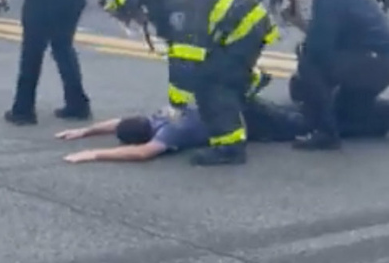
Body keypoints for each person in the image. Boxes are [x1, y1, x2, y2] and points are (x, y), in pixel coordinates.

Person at [105, 0, 279, 165]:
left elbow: (185, 59)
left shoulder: (175, 10)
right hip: (238, 27)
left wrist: (177, 105)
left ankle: (230, 149)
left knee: (212, 83)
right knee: (215, 75)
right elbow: (181, 55)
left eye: (131, 15)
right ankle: (244, 84)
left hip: (244, 29)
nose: (135, 20)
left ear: (141, 5)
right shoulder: (166, 3)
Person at [57, 95, 389, 164]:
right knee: (308, 107)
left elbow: (142, 153)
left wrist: (95, 153)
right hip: (243, 106)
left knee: (314, 123)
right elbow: (117, 122)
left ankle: (377, 120)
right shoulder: (162, 115)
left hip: (256, 124)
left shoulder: (170, 134)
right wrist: (85, 132)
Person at [281, 0, 389, 150]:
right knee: (345, 115)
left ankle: (325, 134)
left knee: (308, 63)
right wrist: (299, 23)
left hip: (374, 62)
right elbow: (332, 38)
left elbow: (318, 49)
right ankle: (381, 118)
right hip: (373, 61)